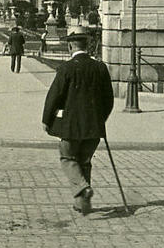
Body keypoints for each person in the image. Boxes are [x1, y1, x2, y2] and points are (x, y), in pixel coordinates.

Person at [41, 26, 114, 216]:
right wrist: (101, 119)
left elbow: (54, 96)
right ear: (87, 46)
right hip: (94, 127)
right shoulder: (100, 67)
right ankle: (82, 204)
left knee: (68, 157)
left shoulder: (66, 68)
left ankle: (82, 188)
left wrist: (46, 119)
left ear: (71, 47)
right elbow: (109, 99)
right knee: (85, 161)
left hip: (71, 126)